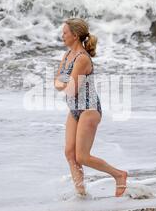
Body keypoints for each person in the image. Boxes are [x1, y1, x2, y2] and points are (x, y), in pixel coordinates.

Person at [54, 17, 128, 197]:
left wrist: (63, 84)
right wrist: (64, 84)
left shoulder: (82, 59)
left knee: (82, 157)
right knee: (70, 153)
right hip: (74, 109)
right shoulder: (67, 55)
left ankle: (119, 175)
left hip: (89, 109)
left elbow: (70, 89)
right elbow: (57, 82)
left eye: (65, 33)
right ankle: (81, 194)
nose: (62, 36)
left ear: (75, 35)